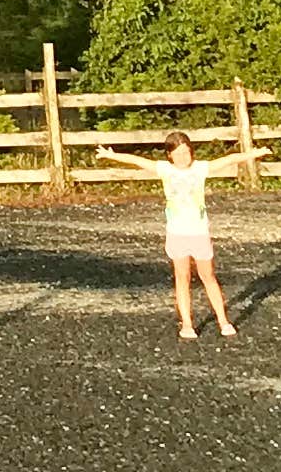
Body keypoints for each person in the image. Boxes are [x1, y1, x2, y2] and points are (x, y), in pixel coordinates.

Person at [97, 130, 239, 343]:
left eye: (186, 152)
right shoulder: (165, 169)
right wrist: (112, 156)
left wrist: (254, 153)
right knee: (182, 278)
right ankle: (188, 324)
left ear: (192, 152)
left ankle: (223, 320)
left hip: (199, 232)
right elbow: (138, 161)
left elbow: (229, 160)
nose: (183, 157)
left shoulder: (200, 168)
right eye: (178, 153)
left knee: (208, 276)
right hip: (177, 234)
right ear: (170, 155)